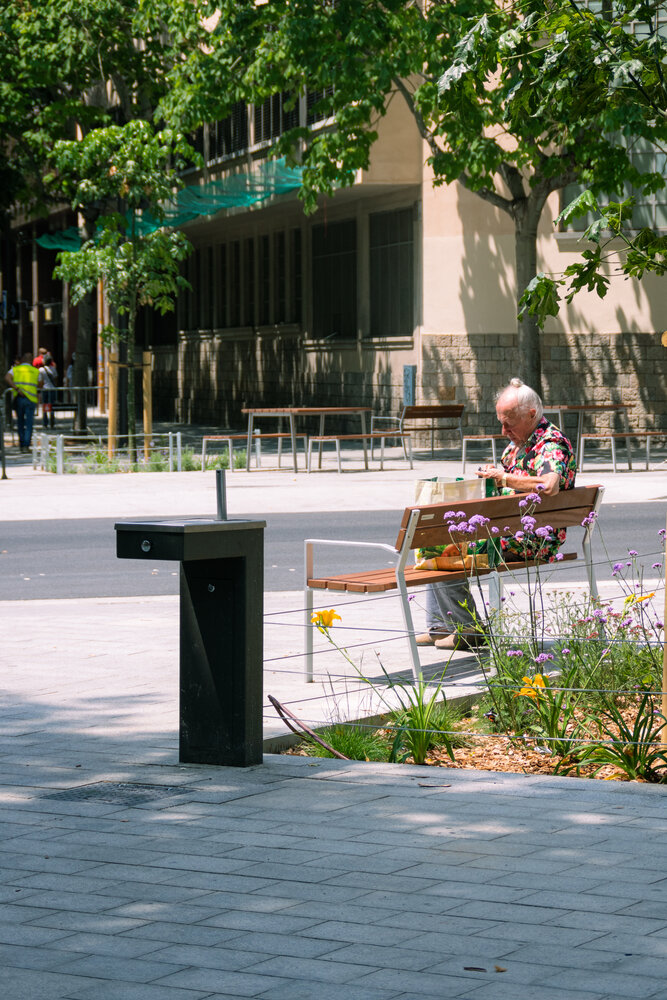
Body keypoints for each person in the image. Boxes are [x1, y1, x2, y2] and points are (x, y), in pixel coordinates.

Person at [417, 377, 576, 651]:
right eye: (501, 422)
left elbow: (550, 484)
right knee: (434, 540)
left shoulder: (550, 444)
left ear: (531, 414)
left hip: (530, 539)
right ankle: (441, 626)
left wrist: (504, 478)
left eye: (509, 423)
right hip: (508, 531)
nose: (503, 430)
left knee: (447, 547)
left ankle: (469, 629)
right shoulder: (520, 444)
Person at [5, 351, 40, 452]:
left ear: (23, 360)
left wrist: (16, 388)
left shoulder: (15, 369)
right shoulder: (36, 371)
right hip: (31, 399)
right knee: (29, 423)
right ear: (31, 360)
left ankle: (21, 445)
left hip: (19, 398)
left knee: (20, 422)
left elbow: (7, 378)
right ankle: (26, 445)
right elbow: (40, 384)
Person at [38, 353, 58, 429]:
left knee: (45, 406)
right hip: (52, 389)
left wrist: (39, 389)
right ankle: (52, 422)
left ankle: (45, 423)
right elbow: (56, 379)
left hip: (45, 389)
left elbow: (40, 381)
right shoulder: (53, 369)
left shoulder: (41, 370)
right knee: (52, 406)